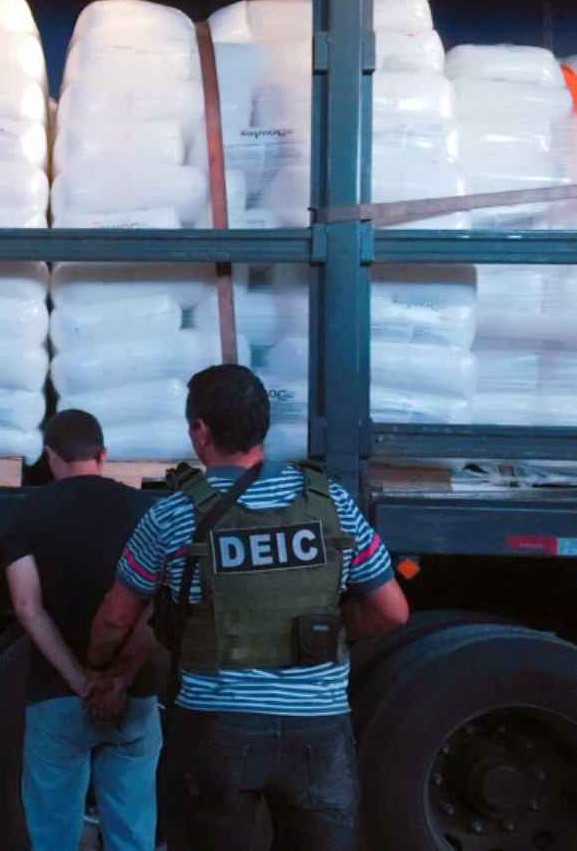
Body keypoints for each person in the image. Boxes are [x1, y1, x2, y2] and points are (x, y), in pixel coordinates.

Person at [88, 364, 409, 851]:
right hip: (318, 733)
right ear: (262, 426)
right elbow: (392, 612)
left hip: (216, 728)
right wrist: (327, 631)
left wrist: (96, 666)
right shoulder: (332, 505)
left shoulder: (173, 514)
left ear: (201, 431)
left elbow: (116, 616)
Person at [3, 410, 163, 851]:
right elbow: (157, 604)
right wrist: (120, 680)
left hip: (57, 696)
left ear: (51, 456)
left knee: (53, 835)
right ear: (103, 455)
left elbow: (27, 607)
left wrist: (81, 683)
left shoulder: (27, 513)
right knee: (133, 835)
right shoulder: (144, 509)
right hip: (133, 697)